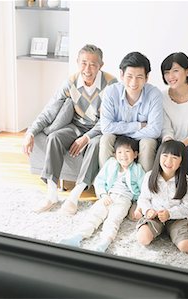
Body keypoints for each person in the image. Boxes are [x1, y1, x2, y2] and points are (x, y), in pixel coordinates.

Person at [22, 44, 118, 214]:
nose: (87, 69)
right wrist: (30, 132)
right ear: (77, 62)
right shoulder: (71, 82)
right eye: (83, 63)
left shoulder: (111, 84)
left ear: (101, 66)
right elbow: (50, 109)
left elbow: (108, 120)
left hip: (98, 130)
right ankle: (52, 194)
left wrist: (86, 138)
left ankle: (75, 195)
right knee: (55, 137)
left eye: (93, 64)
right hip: (75, 126)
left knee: (96, 145)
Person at [99, 51, 163, 220]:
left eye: (139, 77)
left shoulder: (154, 94)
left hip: (143, 138)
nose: (134, 82)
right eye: (129, 76)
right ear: (121, 75)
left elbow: (155, 130)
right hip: (123, 136)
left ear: (147, 77)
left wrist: (122, 128)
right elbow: (106, 127)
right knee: (106, 139)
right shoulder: (111, 92)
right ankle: (108, 192)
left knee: (148, 143)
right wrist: (137, 125)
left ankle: (143, 198)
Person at [60, 135, 145, 252]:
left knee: (113, 220)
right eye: (119, 152)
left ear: (135, 154)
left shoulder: (137, 169)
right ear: (115, 155)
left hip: (124, 200)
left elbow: (144, 189)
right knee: (94, 214)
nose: (123, 155)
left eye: (127, 152)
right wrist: (103, 195)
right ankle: (78, 236)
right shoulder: (111, 164)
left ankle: (104, 242)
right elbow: (100, 180)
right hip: (107, 196)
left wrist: (138, 205)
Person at [135, 140, 188, 253]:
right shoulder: (149, 176)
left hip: (176, 218)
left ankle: (183, 229)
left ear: (181, 162)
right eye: (165, 156)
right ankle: (158, 228)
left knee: (186, 247)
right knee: (143, 238)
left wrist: (169, 214)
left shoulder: (187, 182)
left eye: (174, 158)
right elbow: (143, 198)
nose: (168, 161)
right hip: (155, 216)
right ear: (159, 157)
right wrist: (148, 210)